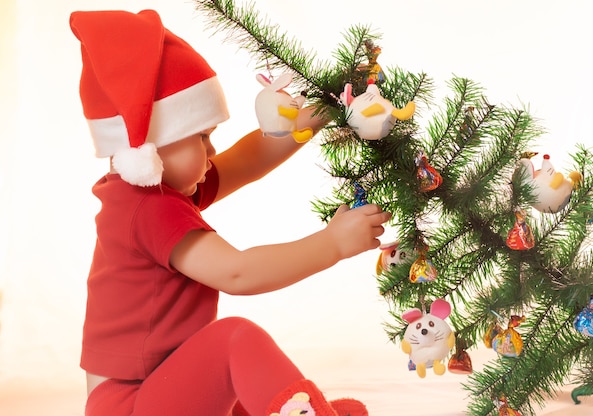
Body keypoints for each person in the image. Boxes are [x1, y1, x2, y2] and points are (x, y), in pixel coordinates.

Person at [70, 9, 390, 416]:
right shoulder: (148, 210)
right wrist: (332, 244)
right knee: (234, 340)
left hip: (156, 388)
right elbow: (236, 272)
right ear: (150, 144)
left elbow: (245, 161)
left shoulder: (153, 187)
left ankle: (303, 407)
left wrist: (314, 116)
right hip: (130, 403)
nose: (212, 151)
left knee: (240, 387)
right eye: (201, 136)